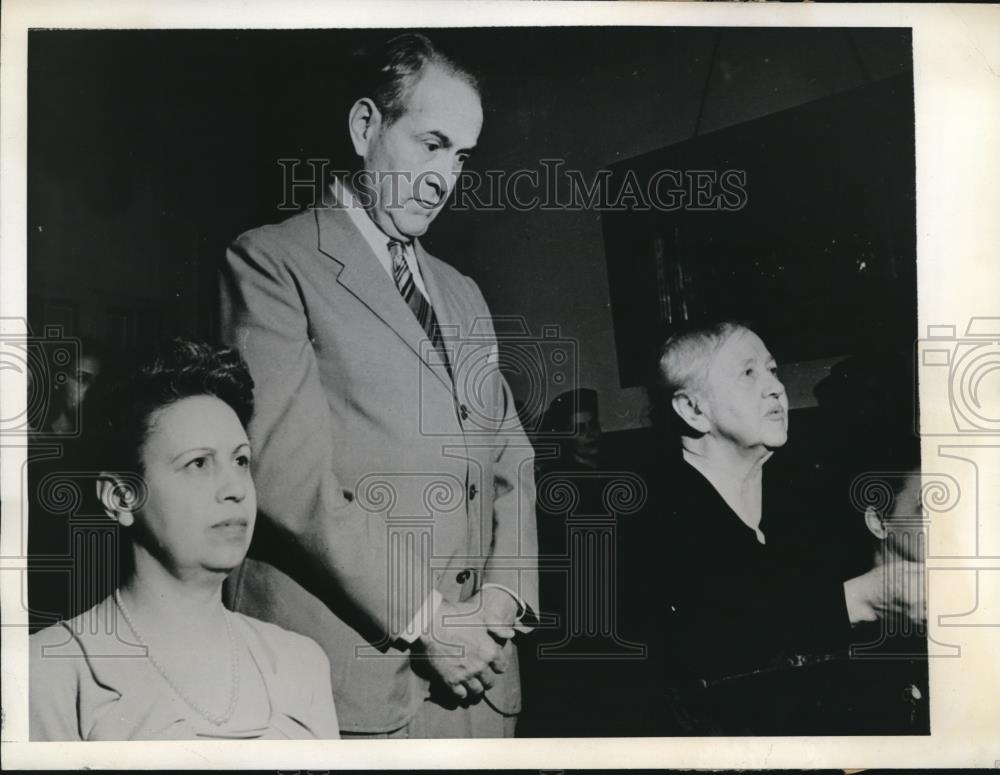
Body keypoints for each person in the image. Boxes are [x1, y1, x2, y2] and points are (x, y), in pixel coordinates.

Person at [219, 33, 537, 738]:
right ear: (366, 127)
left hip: (481, 681)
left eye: (461, 156)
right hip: (349, 686)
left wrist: (502, 600)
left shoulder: (462, 292)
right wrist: (428, 622)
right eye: (430, 142)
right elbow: (286, 475)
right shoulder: (273, 262)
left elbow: (511, 456)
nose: (444, 176)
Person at [29, 339, 340, 740]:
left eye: (241, 461)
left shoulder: (301, 662)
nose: (235, 489)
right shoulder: (51, 672)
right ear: (121, 497)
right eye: (198, 463)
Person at [651, 321, 925, 734]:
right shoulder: (649, 512)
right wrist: (861, 599)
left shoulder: (806, 493)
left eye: (773, 370)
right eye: (748, 373)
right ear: (692, 409)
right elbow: (701, 646)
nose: (775, 387)